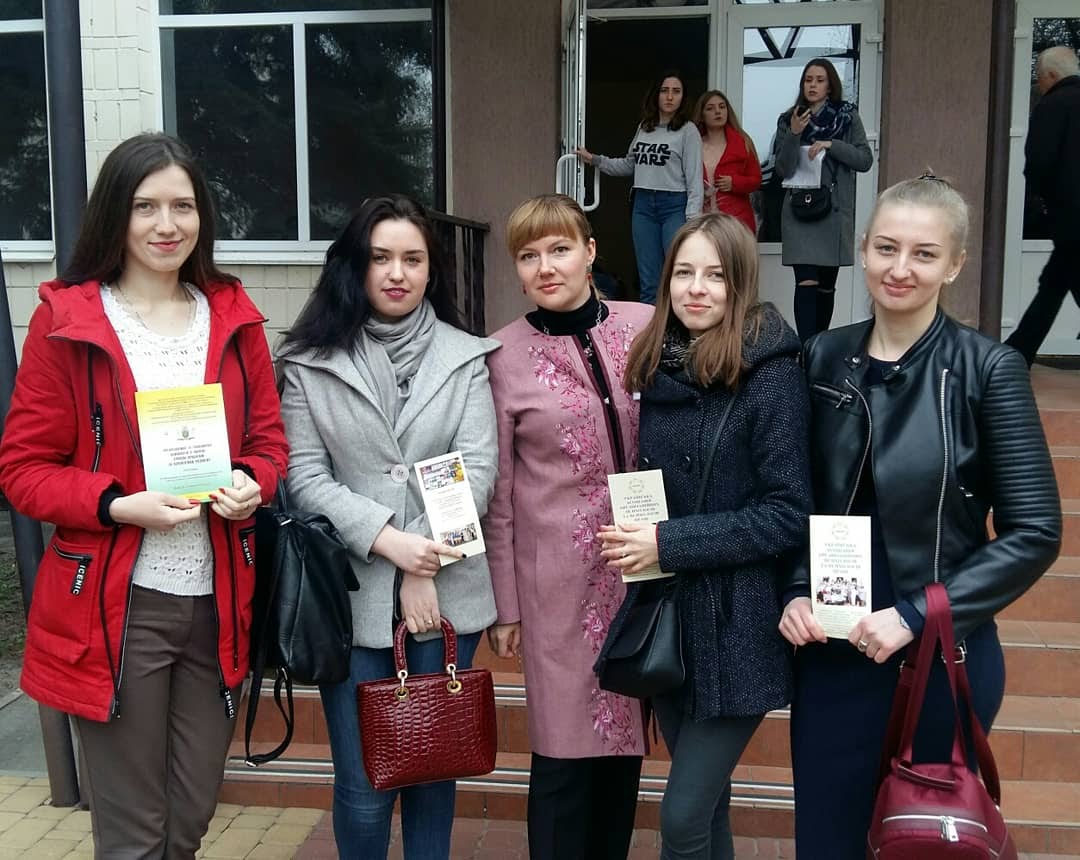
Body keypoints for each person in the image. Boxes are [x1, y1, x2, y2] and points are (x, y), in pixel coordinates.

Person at [0, 132, 289, 857]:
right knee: (135, 835)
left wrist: (252, 483)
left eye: (182, 206)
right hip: (116, 606)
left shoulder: (232, 315)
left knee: (188, 819)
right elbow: (24, 468)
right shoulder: (69, 321)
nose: (167, 225)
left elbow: (268, 443)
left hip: (219, 600)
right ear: (115, 215)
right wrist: (116, 504)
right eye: (145, 207)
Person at [779, 175, 1062, 859]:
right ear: (863, 249)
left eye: (924, 254)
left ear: (954, 264)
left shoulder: (987, 369)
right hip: (833, 648)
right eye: (886, 248)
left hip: (938, 649)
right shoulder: (821, 357)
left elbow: (1035, 531)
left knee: (921, 842)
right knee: (828, 841)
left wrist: (915, 614)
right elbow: (795, 498)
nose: (900, 268)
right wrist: (794, 587)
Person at [276, 195, 499, 860]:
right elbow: (305, 477)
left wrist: (421, 563)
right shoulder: (310, 363)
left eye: (412, 259)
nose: (397, 273)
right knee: (363, 788)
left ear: (432, 270)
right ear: (356, 266)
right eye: (380, 258)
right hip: (349, 598)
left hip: (448, 594)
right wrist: (391, 543)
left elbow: (477, 471)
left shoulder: (465, 357)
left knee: (433, 771)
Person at [596, 213, 812, 860]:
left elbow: (786, 511)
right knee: (708, 811)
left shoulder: (770, 370)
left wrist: (667, 543)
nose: (697, 288)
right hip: (670, 622)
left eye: (715, 275)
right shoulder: (657, 365)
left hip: (740, 626)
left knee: (682, 818)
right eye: (684, 272)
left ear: (739, 284)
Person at [483, 194, 653, 859]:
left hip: (641, 569)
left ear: (590, 251)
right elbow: (499, 494)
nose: (546, 267)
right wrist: (506, 604)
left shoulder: (645, 326)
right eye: (528, 256)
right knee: (561, 756)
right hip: (554, 583)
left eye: (559, 249)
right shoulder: (501, 354)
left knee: (623, 749)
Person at [576, 71, 703, 304]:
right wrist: (595, 160)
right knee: (649, 278)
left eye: (676, 92)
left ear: (683, 98)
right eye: (665, 91)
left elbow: (694, 178)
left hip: (674, 205)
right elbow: (629, 165)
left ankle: (676, 325)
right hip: (643, 205)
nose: (670, 97)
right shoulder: (645, 127)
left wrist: (693, 219)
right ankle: (649, 326)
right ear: (656, 95)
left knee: (677, 271)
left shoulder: (688, 130)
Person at [772, 58, 873, 343]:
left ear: (830, 86)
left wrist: (832, 144)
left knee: (825, 288)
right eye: (808, 80)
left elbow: (864, 160)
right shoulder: (789, 118)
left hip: (832, 212)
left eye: (819, 80)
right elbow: (782, 169)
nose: (813, 85)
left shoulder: (847, 116)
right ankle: (807, 350)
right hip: (799, 211)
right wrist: (794, 133)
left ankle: (819, 346)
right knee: (806, 282)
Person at [1005, 45, 1080, 366]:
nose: (1039, 83)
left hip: (1071, 216)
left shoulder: (1053, 105)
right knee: (1054, 283)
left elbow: (1039, 162)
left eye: (1039, 77)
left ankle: (1017, 352)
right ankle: (1017, 351)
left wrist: (1041, 203)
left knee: (1055, 283)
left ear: (1051, 75)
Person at [694, 89, 761, 237]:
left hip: (736, 220)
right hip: (702, 220)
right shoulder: (693, 145)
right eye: (710, 108)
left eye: (722, 107)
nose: (718, 111)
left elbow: (756, 179)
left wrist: (734, 183)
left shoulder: (743, 142)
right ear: (702, 116)